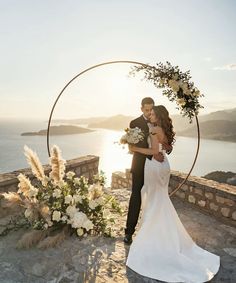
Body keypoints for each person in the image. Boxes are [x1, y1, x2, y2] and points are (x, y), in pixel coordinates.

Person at [126, 105, 220, 282]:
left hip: (154, 166)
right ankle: (165, 236)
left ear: (158, 115)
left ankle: (154, 239)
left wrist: (135, 149)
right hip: (164, 165)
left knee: (154, 201)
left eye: (153, 113)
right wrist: (158, 149)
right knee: (160, 200)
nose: (150, 115)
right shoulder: (164, 129)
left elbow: (154, 152)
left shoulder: (154, 129)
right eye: (149, 113)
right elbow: (166, 147)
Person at [124, 97, 172, 245]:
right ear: (141, 109)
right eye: (146, 109)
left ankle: (153, 233)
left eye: (151, 109)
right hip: (140, 166)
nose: (149, 112)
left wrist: (163, 150)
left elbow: (167, 147)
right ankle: (129, 232)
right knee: (136, 196)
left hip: (156, 167)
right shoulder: (134, 123)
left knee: (155, 199)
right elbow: (132, 146)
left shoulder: (159, 122)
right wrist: (153, 152)